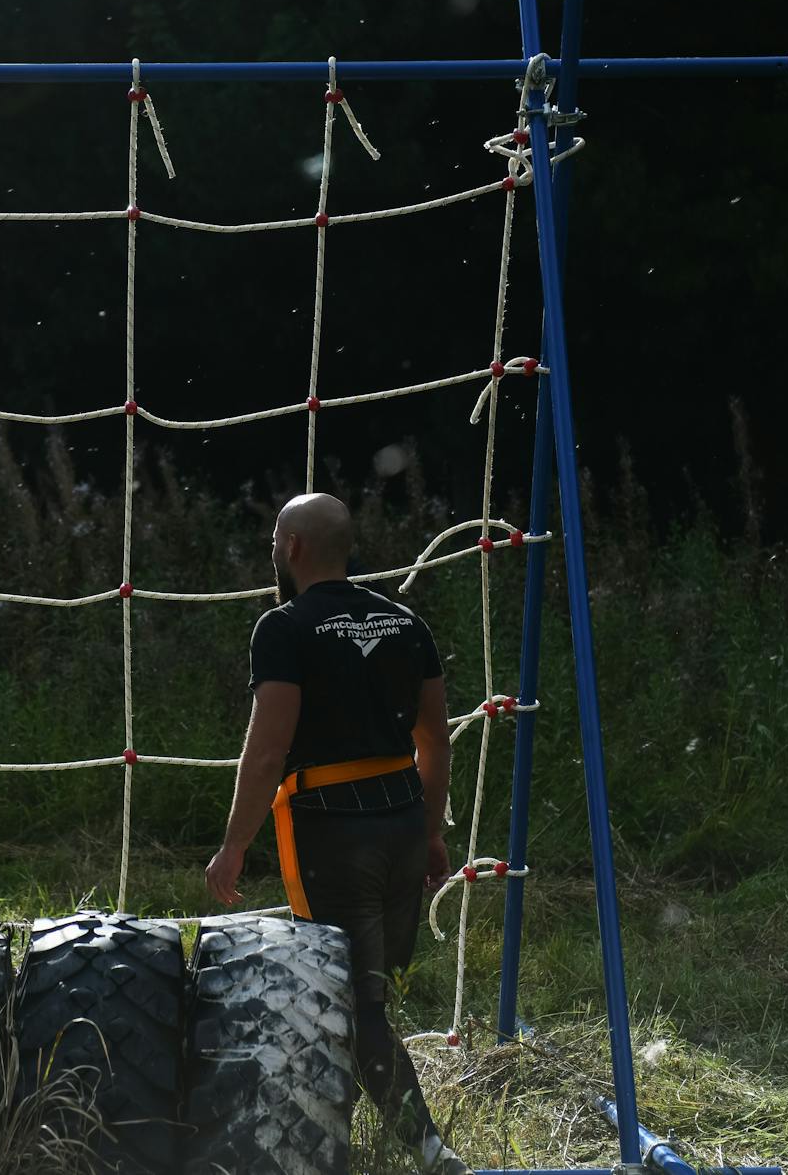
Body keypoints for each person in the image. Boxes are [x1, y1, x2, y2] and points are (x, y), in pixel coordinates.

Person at [204, 492, 466, 1174]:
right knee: (369, 992)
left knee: (354, 1002)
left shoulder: (283, 627)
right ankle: (332, 1129)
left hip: (336, 827)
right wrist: (434, 833)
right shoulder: (408, 622)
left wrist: (234, 845)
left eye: (272, 539)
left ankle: (428, 1148)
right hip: (406, 817)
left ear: (291, 548)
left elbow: (268, 752)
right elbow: (434, 740)